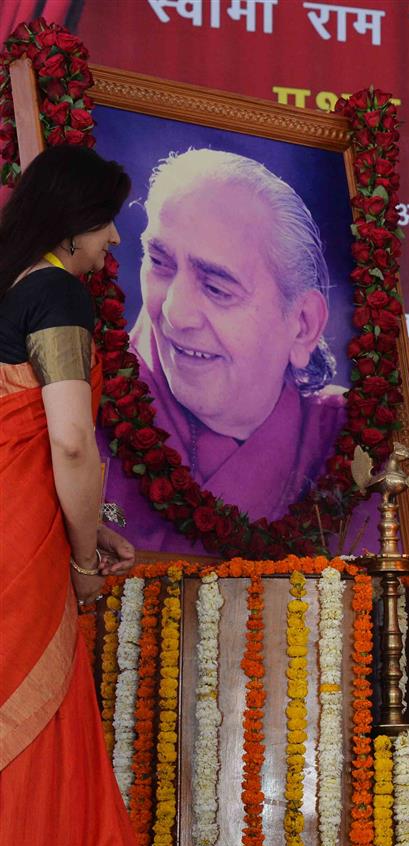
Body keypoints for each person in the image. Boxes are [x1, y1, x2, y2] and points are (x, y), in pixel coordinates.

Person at [0, 145, 151, 846]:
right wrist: (86, 557)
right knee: (37, 735)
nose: (115, 241)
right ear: (70, 226)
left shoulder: (6, 289)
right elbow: (67, 439)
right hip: (19, 547)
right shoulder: (57, 293)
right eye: (106, 224)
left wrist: (92, 525)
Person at [102, 148, 348, 553]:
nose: (175, 314)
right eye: (160, 263)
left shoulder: (349, 440)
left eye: (217, 288)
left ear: (302, 325)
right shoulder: (82, 402)